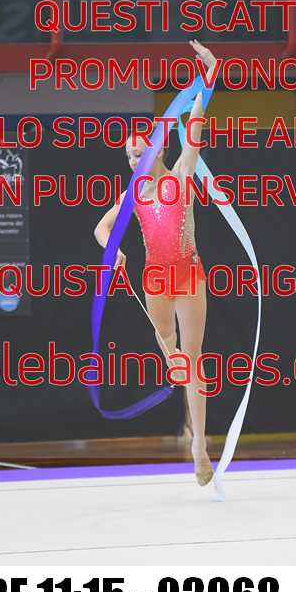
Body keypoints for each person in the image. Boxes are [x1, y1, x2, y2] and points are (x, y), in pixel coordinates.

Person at [94, 40, 217, 487]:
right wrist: (113, 250)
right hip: (156, 282)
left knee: (193, 362)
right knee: (175, 359)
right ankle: (191, 420)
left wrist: (209, 76)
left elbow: (195, 129)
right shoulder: (132, 195)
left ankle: (199, 444)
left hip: (188, 275)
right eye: (128, 156)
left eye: (138, 153)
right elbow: (101, 228)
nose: (132, 160)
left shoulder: (182, 176)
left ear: (157, 151)